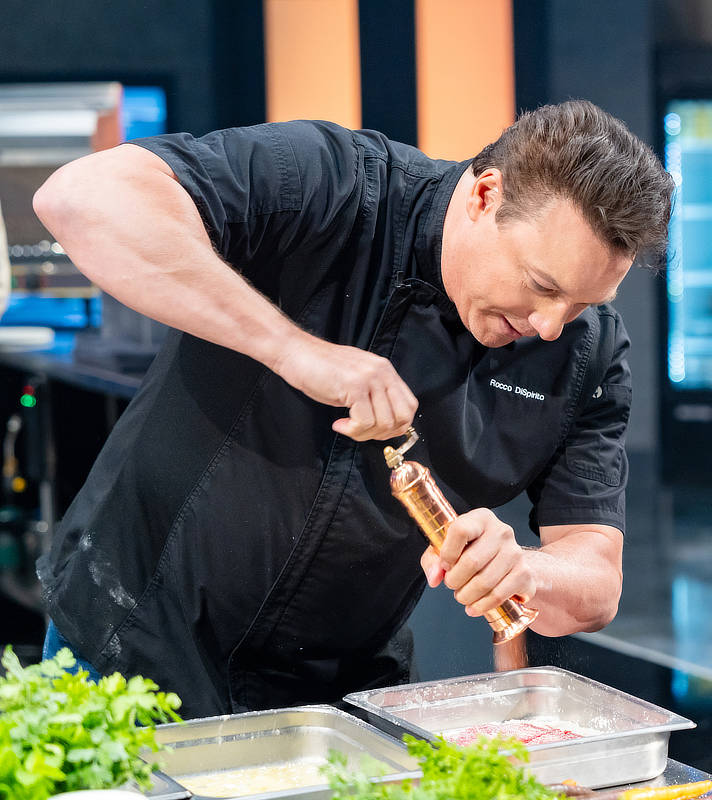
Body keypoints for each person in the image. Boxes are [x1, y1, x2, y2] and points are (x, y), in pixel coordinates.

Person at [32, 100, 673, 717]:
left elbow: (594, 579)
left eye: (584, 304)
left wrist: (526, 570)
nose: (551, 327)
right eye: (541, 286)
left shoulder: (588, 356)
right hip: (129, 645)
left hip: (339, 697)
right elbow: (80, 197)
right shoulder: (336, 184)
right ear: (485, 196)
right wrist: (290, 348)